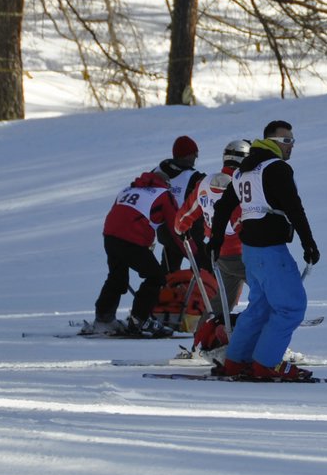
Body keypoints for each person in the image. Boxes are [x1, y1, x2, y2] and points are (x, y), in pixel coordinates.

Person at [210, 121, 321, 381]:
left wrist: (214, 241)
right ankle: (267, 364)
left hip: (251, 251)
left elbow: (223, 208)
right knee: (291, 307)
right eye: (286, 141)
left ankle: (236, 362)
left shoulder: (243, 171)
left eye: (292, 141)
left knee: (260, 307)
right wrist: (309, 243)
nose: (291, 146)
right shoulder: (277, 168)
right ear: (272, 141)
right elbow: (295, 208)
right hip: (271, 250)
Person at [88, 161, 181, 335]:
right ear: (166, 184)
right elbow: (176, 226)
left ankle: (103, 318)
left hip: (110, 236)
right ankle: (140, 319)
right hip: (131, 240)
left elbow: (124, 214)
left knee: (117, 278)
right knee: (156, 277)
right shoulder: (163, 194)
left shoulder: (128, 189)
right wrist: (191, 250)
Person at [177, 139, 251, 311]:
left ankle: (205, 333)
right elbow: (243, 220)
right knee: (267, 287)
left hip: (219, 255)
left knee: (224, 302)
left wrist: (181, 228)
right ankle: (273, 317)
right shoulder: (242, 185)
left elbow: (186, 214)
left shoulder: (205, 182)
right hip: (242, 253)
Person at [156, 136, 205, 273]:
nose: (196, 158)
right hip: (188, 235)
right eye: (194, 154)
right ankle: (200, 291)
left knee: (168, 270)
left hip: (165, 232)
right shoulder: (194, 177)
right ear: (187, 155)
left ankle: (165, 291)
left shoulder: (157, 172)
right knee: (204, 266)